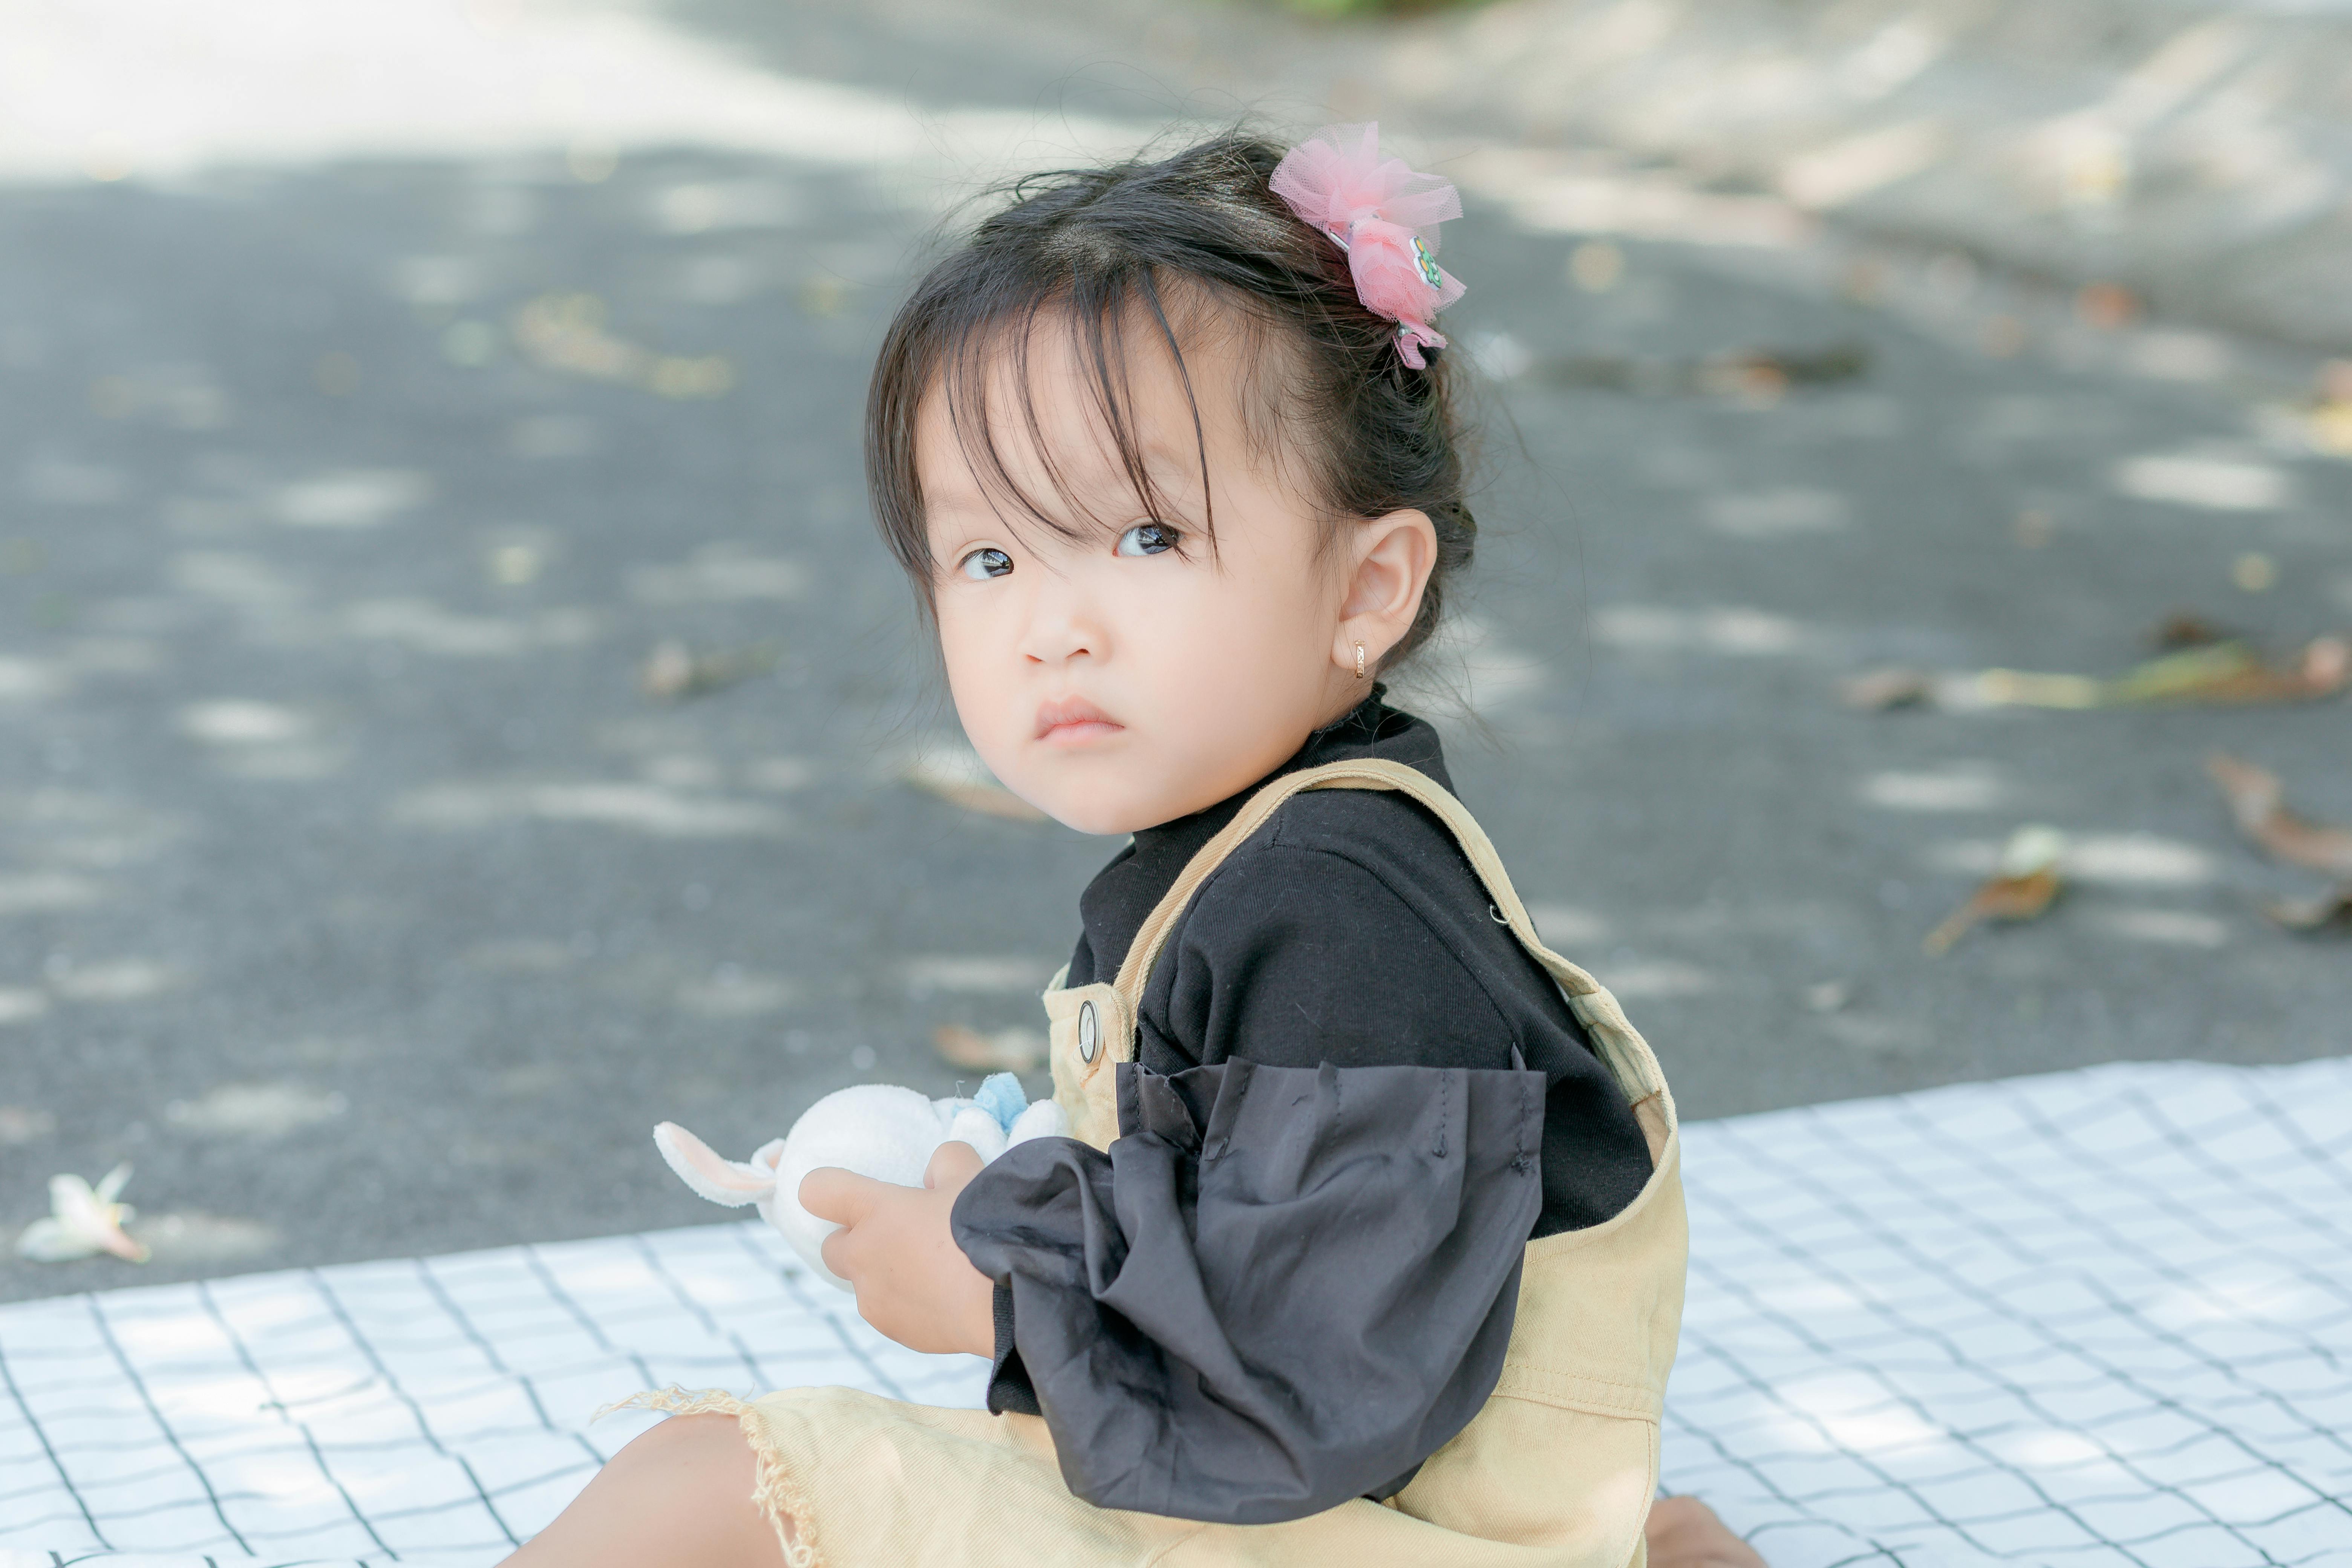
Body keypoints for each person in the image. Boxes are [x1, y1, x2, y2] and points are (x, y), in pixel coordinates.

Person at [505, 124, 1761, 1568]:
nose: (1054, 623)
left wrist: (1000, 1290)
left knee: (712, 1484)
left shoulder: (1338, 916)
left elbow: (1314, 1370)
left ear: (1368, 588)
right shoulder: (1253, 861)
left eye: (1148, 536)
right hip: (1312, 1504)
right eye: (991, 556)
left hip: (1348, 1514)